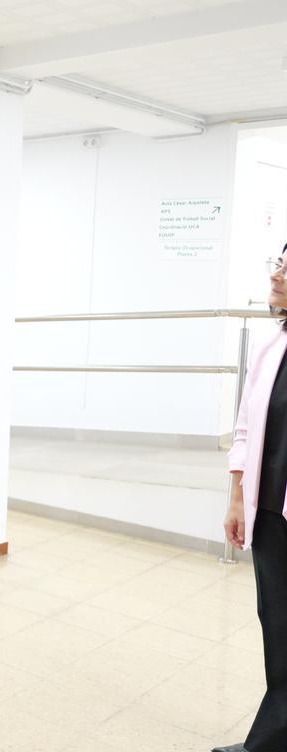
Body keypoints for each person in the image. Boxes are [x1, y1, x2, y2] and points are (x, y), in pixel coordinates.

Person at [214, 248, 287, 752]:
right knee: (277, 626)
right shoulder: (270, 344)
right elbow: (244, 428)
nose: (277, 274)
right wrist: (238, 498)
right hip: (269, 511)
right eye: (280, 261)